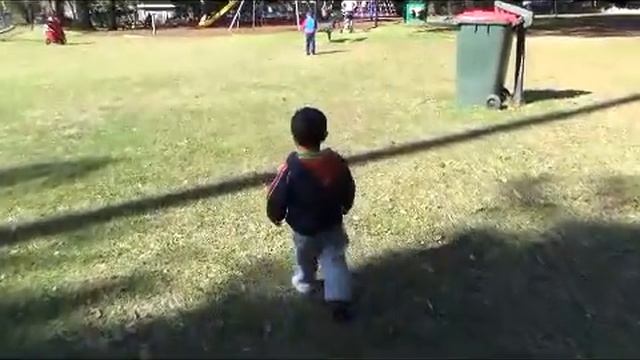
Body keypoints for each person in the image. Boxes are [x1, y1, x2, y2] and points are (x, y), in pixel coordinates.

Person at [266, 107, 356, 322]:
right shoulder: (335, 163)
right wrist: (345, 205)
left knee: (304, 258)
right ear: (325, 135)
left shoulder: (290, 168)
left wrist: (275, 215)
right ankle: (338, 299)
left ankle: (306, 284)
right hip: (332, 224)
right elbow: (348, 186)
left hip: (303, 230)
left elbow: (275, 195)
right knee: (334, 260)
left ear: (294, 137)